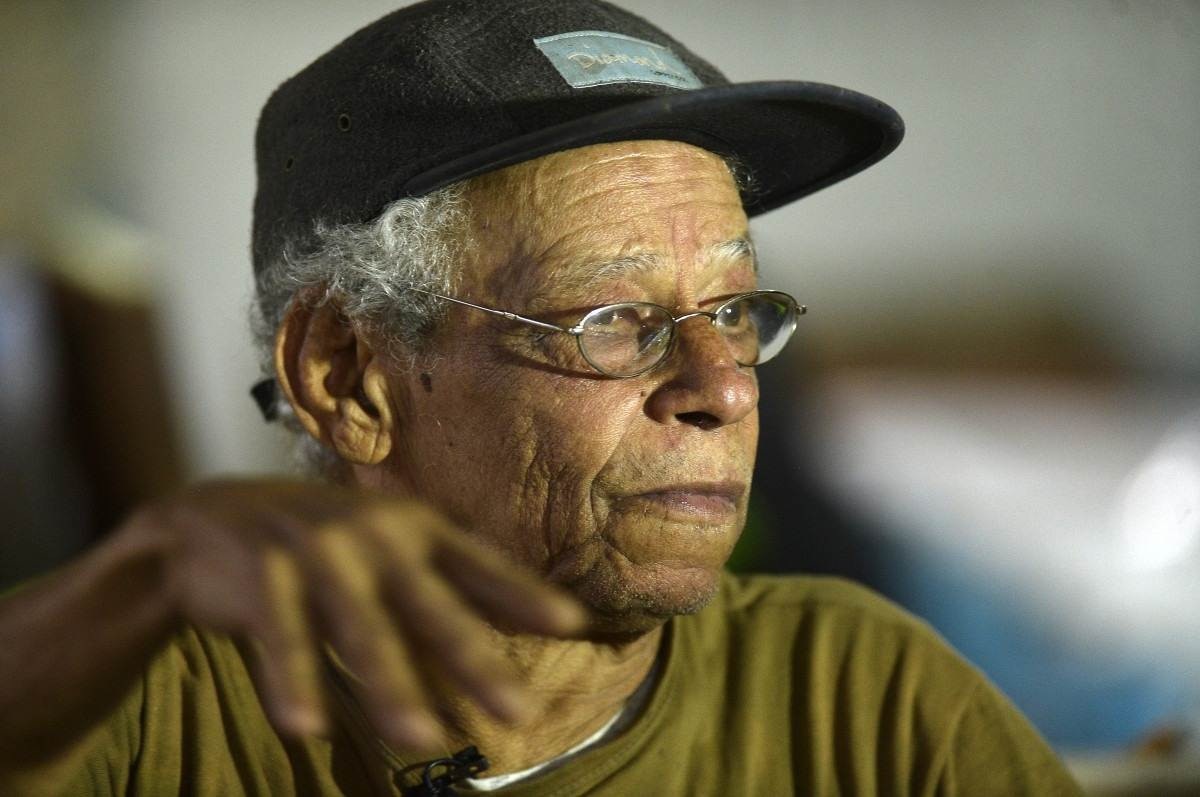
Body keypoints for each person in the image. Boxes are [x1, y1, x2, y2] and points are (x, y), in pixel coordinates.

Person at [0, 1, 1082, 794]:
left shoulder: (859, 699)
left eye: (737, 309)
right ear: (345, 372)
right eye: (614, 318)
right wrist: (136, 580)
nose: (721, 387)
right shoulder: (142, 706)